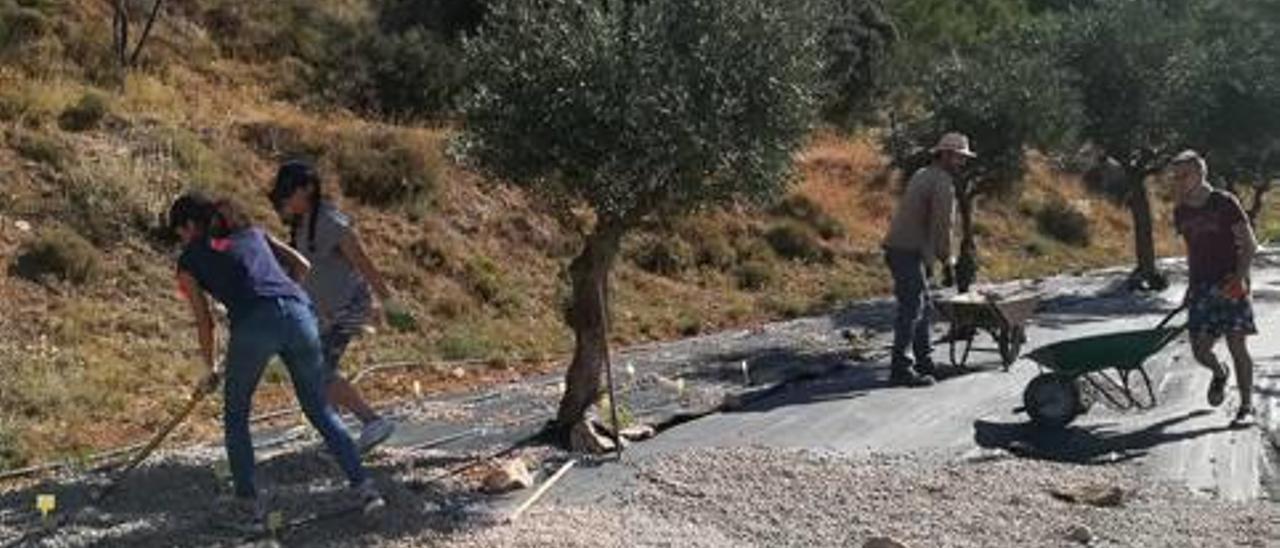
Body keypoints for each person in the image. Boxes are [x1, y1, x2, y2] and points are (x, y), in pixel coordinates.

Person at [169, 192, 384, 531]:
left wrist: (208, 369)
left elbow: (204, 321)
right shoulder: (253, 234)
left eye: (179, 233)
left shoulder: (188, 260)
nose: (180, 239)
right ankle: (366, 489)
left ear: (189, 226)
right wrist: (280, 302)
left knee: (236, 415)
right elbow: (302, 265)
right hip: (300, 314)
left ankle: (249, 508)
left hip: (254, 324)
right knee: (319, 409)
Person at [269, 161, 408, 452]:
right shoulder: (301, 224)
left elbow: (362, 261)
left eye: (289, 193)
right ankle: (335, 433)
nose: (285, 201)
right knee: (313, 369)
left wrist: (389, 301)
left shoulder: (330, 221)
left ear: (307, 189)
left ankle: (371, 421)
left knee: (318, 370)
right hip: (323, 311)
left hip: (347, 306)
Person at [1169, 150, 1257, 426]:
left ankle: (1246, 406)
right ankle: (1219, 373)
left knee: (1237, 346)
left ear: (1200, 173)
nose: (1179, 181)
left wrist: (1239, 278)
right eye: (1176, 176)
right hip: (1202, 288)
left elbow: (1250, 244)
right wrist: (1190, 286)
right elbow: (1193, 251)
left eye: (1184, 175)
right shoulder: (1180, 210)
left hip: (1231, 283)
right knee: (1199, 350)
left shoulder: (1224, 202)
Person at [881, 132, 973, 387]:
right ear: (945, 155)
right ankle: (901, 369)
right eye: (959, 156)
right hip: (907, 250)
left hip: (907, 249)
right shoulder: (942, 182)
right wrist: (948, 260)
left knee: (922, 305)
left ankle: (924, 363)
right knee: (912, 308)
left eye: (963, 157)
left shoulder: (924, 174)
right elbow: (942, 225)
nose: (962, 162)